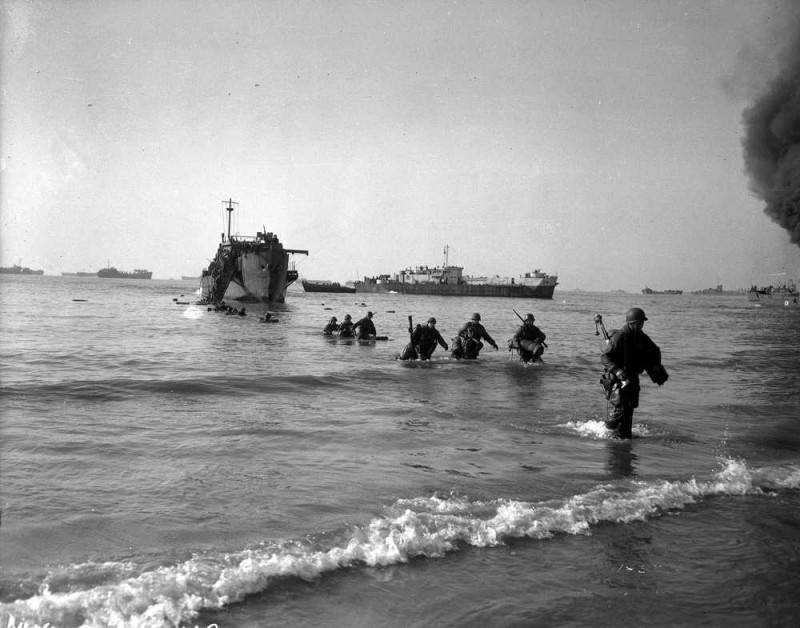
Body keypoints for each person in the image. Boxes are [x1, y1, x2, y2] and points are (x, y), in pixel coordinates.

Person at [600, 307, 669, 439]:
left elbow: (655, 350)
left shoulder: (641, 337)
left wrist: (656, 368)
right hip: (617, 380)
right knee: (617, 416)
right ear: (630, 324)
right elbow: (604, 357)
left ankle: (623, 443)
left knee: (628, 415)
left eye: (642, 323)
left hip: (632, 380)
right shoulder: (620, 336)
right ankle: (615, 443)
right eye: (638, 323)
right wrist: (618, 371)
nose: (640, 326)